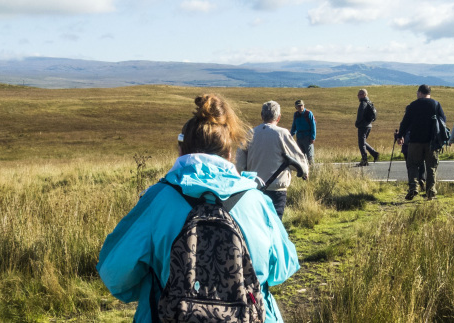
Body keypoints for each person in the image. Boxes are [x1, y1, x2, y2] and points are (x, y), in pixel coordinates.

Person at [97, 94, 300, 322]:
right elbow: (283, 268)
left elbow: (113, 274)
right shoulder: (257, 201)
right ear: (230, 154)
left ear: (181, 151)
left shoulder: (157, 200)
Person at [237, 100, 309, 220]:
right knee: (275, 226)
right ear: (279, 117)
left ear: (261, 115)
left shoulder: (250, 134)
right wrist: (305, 172)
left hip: (254, 189)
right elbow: (298, 160)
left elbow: (239, 163)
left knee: (258, 224)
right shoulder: (282, 133)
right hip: (277, 190)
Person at [396, 84, 446, 200]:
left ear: (419, 93)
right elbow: (443, 120)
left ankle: (413, 188)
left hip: (415, 141)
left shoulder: (413, 105)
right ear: (429, 93)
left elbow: (405, 122)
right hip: (431, 142)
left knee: (413, 164)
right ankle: (430, 192)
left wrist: (400, 135)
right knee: (431, 167)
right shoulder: (436, 104)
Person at [355, 89, 379, 166]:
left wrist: (357, 123)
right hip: (369, 125)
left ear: (364, 95)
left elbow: (360, 114)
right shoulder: (369, 102)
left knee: (361, 143)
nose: (358, 96)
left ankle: (364, 160)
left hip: (363, 126)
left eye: (359, 95)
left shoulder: (363, 103)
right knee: (363, 142)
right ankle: (374, 153)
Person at [290, 99, 316, 165]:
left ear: (304, 106)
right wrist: (290, 135)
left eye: (301, 106)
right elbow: (294, 126)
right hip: (299, 138)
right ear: (296, 107)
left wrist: (313, 137)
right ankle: (303, 172)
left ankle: (312, 170)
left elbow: (313, 126)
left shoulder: (308, 113)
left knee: (310, 156)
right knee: (300, 156)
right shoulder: (296, 115)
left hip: (308, 138)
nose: (300, 107)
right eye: (298, 106)